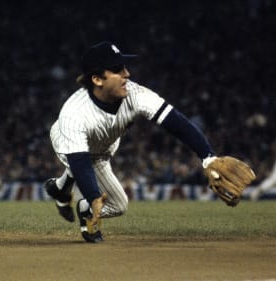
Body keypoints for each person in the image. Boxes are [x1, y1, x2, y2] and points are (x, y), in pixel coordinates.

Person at [44, 41, 218, 243]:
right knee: (84, 170)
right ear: (97, 79)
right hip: (68, 144)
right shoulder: (74, 114)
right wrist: (93, 197)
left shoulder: (135, 94)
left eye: (125, 67)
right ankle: (72, 198)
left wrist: (208, 156)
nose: (127, 74)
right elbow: (80, 162)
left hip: (104, 147)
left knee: (119, 206)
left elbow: (176, 122)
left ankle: (60, 190)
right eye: (118, 69)